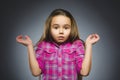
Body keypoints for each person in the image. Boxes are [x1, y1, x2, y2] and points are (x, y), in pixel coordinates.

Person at [16, 9, 100, 80]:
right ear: (49, 28)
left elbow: (84, 72)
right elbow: (35, 72)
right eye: (56, 27)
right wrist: (29, 46)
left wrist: (88, 45)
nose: (61, 32)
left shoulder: (77, 45)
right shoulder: (43, 45)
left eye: (66, 28)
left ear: (71, 28)